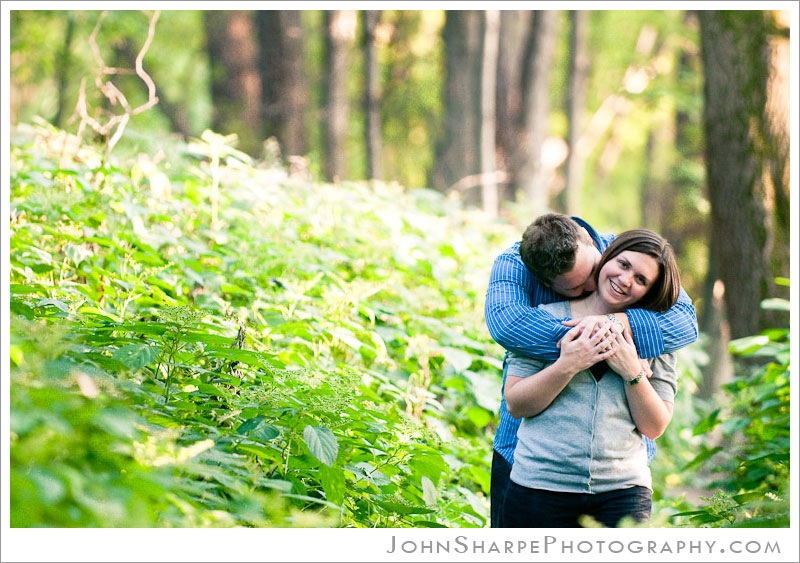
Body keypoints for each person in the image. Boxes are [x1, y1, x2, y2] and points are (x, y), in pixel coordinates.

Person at [484, 213, 698, 527]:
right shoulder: (526, 284)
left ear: (598, 247)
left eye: (593, 271)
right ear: (548, 284)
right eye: (575, 286)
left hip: (620, 484)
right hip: (532, 471)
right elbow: (508, 326)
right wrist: (576, 353)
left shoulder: (650, 316)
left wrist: (626, 353)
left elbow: (687, 323)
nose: (591, 285)